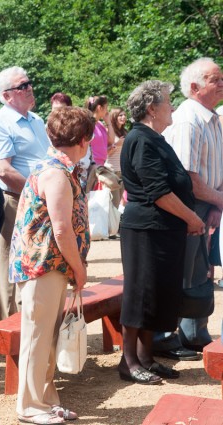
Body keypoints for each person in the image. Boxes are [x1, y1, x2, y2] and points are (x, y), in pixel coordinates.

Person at [119, 80, 205, 386]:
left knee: (156, 294)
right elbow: (158, 192)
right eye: (168, 101)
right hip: (146, 230)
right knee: (140, 294)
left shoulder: (155, 138)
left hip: (162, 229)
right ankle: (129, 361)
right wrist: (192, 218)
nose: (172, 106)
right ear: (152, 108)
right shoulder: (141, 139)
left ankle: (146, 357)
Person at [9, 106, 92, 424]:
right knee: (37, 337)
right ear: (83, 140)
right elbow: (61, 229)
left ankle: (45, 400)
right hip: (42, 267)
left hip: (50, 267)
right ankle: (30, 405)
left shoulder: (56, 168)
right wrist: (79, 269)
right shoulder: (56, 173)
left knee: (47, 337)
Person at [154, 57, 223, 359]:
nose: (221, 84)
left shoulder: (212, 118)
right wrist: (218, 201)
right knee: (181, 272)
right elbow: (187, 179)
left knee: (199, 272)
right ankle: (164, 337)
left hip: (208, 203)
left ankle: (194, 333)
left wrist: (217, 204)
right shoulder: (188, 120)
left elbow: (217, 168)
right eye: (214, 79)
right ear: (195, 87)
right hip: (187, 206)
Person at [0, 66, 50, 323]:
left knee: (34, 261)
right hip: (13, 199)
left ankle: (26, 323)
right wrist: (37, 191)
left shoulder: (36, 120)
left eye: (29, 83)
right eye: (22, 86)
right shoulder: (1, 123)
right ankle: (3, 327)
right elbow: (3, 169)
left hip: (37, 200)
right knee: (6, 264)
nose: (29, 88)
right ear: (6, 95)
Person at [106, 107, 128, 208]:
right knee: (113, 203)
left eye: (124, 115)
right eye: (120, 115)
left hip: (122, 171)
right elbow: (105, 152)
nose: (123, 117)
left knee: (119, 202)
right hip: (111, 171)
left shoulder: (125, 132)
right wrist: (116, 144)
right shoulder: (109, 131)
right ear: (114, 117)